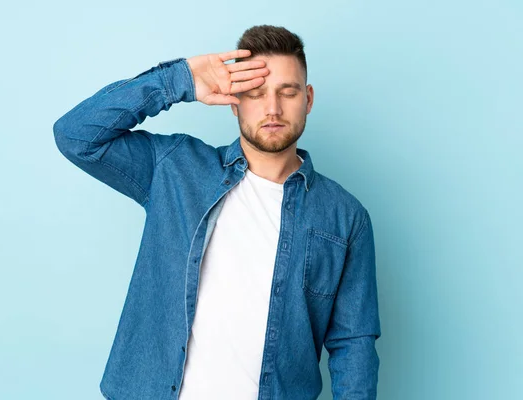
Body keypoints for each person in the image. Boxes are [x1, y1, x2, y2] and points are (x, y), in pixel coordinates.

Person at [53, 25, 381, 400]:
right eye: (255, 94)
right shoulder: (176, 169)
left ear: (307, 99)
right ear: (234, 101)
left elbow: (353, 343)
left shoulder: (345, 217)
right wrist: (180, 80)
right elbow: (76, 136)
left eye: (286, 93)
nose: (272, 108)